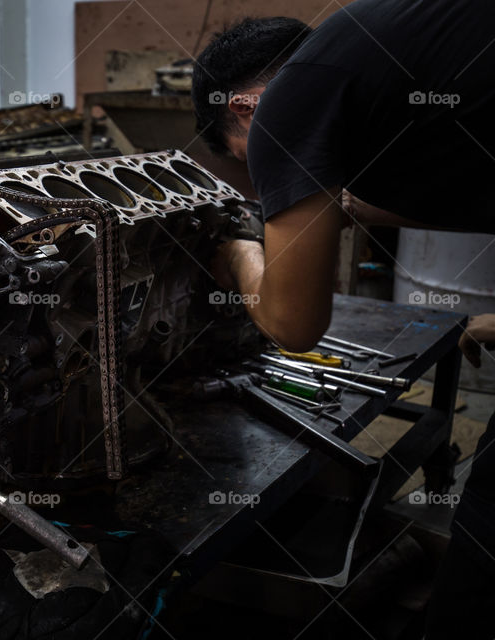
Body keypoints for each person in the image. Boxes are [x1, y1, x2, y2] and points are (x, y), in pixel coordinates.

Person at [190, 1, 495, 637]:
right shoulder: (369, 49)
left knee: (484, 551)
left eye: (250, 162)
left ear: (246, 109)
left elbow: (294, 326)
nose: (262, 174)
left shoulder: (285, 105)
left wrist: (238, 251)